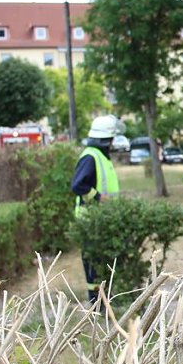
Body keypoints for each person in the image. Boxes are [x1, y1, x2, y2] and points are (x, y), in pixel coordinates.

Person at [71, 114, 124, 305]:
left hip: (100, 219)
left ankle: (104, 298)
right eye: (110, 139)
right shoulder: (90, 157)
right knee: (93, 262)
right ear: (104, 139)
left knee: (102, 260)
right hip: (90, 219)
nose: (112, 143)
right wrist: (99, 198)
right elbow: (78, 186)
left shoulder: (100, 156)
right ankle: (96, 302)